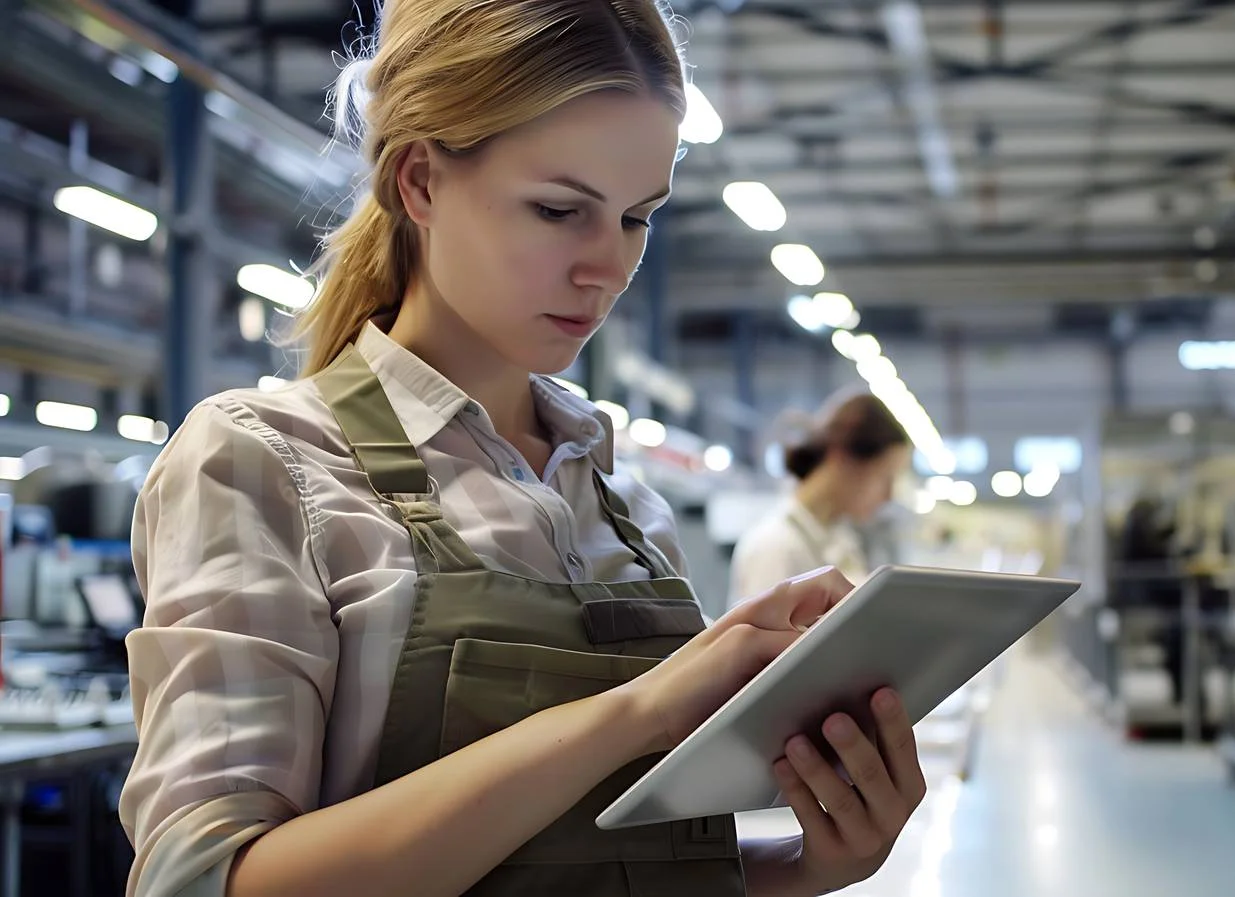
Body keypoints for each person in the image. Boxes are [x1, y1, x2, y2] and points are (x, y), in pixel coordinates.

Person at [118, 3, 927, 896]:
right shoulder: (266, 462)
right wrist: (634, 714)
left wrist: (807, 863)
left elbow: (629, 861)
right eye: (558, 210)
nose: (609, 266)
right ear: (420, 181)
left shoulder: (626, 511)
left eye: (636, 217)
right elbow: (202, 878)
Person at [728, 391, 913, 607]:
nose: (889, 495)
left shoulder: (840, 538)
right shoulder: (776, 546)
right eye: (884, 477)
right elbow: (763, 639)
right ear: (842, 457)